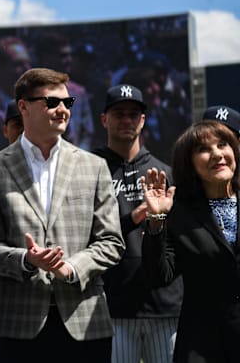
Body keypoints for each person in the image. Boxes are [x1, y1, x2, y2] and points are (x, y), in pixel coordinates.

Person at [0, 68, 125, 363]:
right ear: (23, 107)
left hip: (85, 322)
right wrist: (26, 260)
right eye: (52, 103)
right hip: (18, 325)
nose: (62, 110)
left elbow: (112, 242)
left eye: (67, 104)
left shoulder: (94, 167)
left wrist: (71, 268)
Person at [92, 84, 182, 363]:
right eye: (119, 113)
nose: (127, 120)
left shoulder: (165, 172)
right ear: (104, 119)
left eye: (134, 114)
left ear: (143, 120)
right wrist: (133, 217)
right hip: (112, 305)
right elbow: (85, 234)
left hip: (164, 305)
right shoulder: (89, 169)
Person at [142, 120, 240, 363]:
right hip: (203, 344)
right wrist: (156, 219)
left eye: (223, 144)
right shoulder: (180, 214)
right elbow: (159, 276)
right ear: (190, 164)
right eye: (203, 149)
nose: (217, 154)